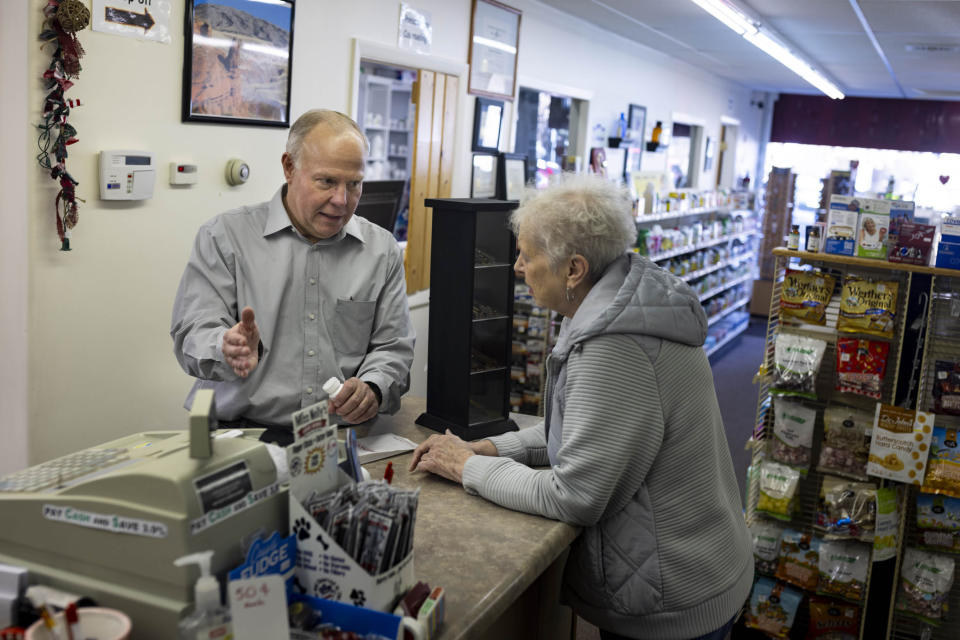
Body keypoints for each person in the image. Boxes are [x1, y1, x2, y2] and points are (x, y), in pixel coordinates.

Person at [410, 173, 752, 640]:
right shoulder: (611, 301)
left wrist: (467, 468)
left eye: (526, 256)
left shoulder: (615, 346)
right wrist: (488, 447)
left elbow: (575, 496)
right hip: (693, 564)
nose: (516, 267)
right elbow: (575, 430)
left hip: (673, 592)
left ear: (573, 269)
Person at [171, 110, 415, 444]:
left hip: (338, 436)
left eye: (354, 184)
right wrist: (225, 347)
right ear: (289, 167)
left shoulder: (381, 250)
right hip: (243, 434)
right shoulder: (225, 236)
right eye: (326, 181)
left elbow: (393, 346)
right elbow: (191, 333)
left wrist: (373, 387)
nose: (342, 201)